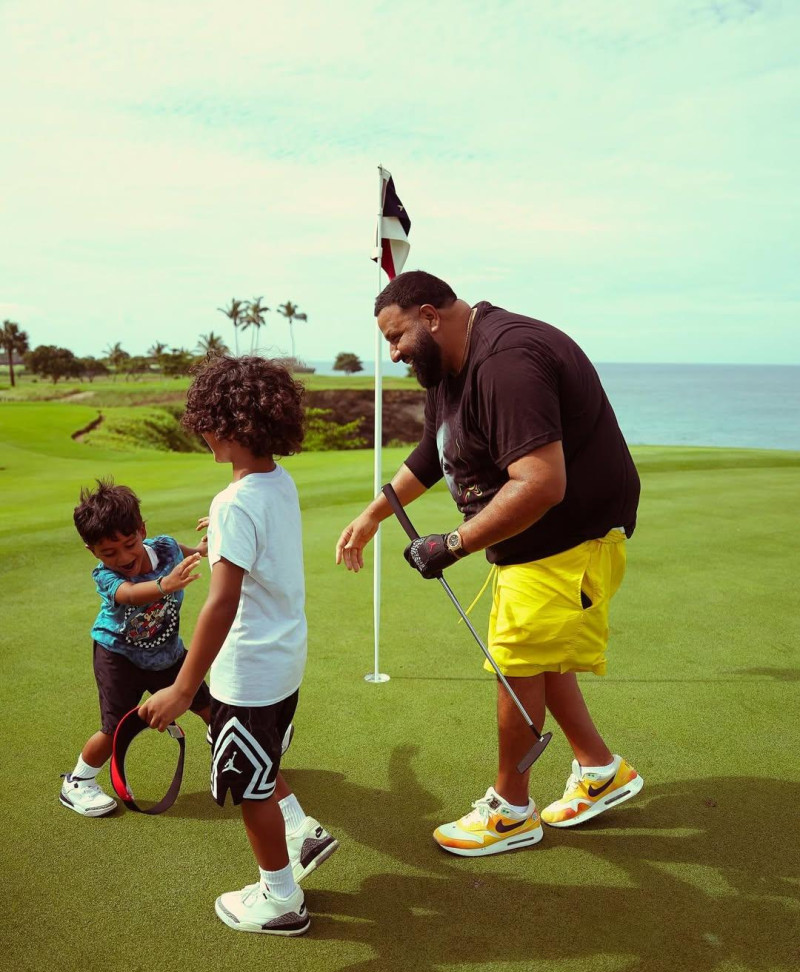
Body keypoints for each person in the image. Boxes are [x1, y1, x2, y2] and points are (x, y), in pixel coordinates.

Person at [336, 270, 643, 857]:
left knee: (517, 660)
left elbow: (541, 483)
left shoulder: (506, 361)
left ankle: (511, 811)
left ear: (430, 315)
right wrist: (376, 513)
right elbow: (435, 449)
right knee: (540, 661)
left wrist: (450, 544)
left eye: (396, 337)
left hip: (565, 540)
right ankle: (602, 770)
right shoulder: (449, 367)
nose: (394, 352)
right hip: (537, 545)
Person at [139, 354, 338, 936]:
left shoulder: (235, 504)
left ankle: (281, 898)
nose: (201, 429)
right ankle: (301, 834)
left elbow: (221, 604)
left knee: (250, 789)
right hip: (283, 661)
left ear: (229, 425)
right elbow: (255, 538)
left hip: (247, 672)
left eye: (207, 418)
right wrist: (221, 529)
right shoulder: (273, 482)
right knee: (264, 762)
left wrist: (181, 687)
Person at [64, 479, 211, 817]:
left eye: (129, 544)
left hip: (167, 655)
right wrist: (164, 584)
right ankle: (78, 782)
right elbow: (129, 594)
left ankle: (238, 752)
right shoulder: (105, 576)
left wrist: (205, 546)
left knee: (207, 705)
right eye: (108, 552)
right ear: (93, 552)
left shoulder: (168, 548)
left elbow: (196, 553)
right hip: (118, 656)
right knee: (115, 727)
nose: (123, 557)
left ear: (142, 530)